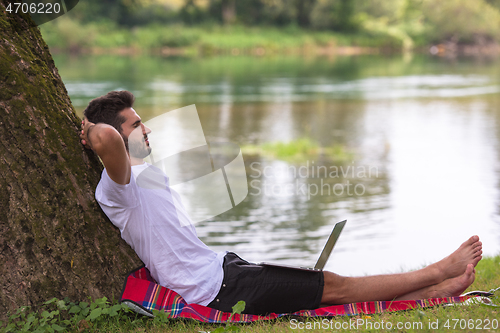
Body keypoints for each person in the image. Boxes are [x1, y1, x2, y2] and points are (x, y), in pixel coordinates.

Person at [80, 90, 483, 315]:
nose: (146, 129)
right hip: (215, 289)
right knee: (335, 287)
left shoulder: (147, 175)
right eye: (136, 124)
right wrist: (89, 126)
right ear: (117, 133)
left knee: (321, 288)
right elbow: (105, 140)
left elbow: (115, 139)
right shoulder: (119, 188)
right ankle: (436, 272)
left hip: (224, 268)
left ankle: (438, 290)